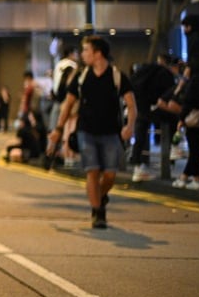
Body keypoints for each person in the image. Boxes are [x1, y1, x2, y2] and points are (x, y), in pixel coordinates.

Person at [48, 35, 137, 229]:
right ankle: (98, 212)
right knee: (93, 171)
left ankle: (101, 195)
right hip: (86, 131)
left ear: (98, 53)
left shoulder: (117, 76)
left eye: (86, 50)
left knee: (111, 175)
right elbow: (68, 104)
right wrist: (58, 129)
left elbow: (131, 103)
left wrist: (129, 126)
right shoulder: (81, 77)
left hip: (111, 133)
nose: (82, 54)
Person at [127, 55, 178, 182]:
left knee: (140, 133)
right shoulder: (165, 73)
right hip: (155, 107)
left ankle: (138, 165)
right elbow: (169, 93)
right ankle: (174, 148)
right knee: (173, 118)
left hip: (140, 105)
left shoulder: (145, 70)